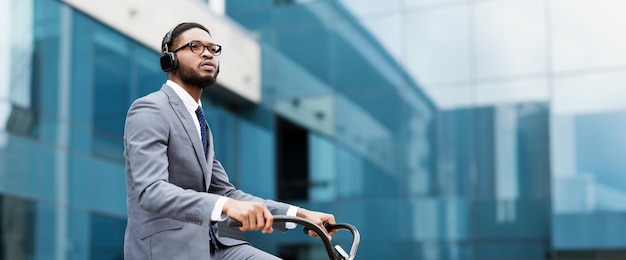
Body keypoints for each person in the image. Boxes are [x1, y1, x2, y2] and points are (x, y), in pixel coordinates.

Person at [123, 22, 337, 259]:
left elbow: (228, 193)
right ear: (169, 59)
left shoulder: (199, 121)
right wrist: (224, 206)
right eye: (195, 46)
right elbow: (151, 191)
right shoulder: (150, 109)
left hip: (219, 247)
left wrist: (300, 214)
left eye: (212, 48)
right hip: (170, 249)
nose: (207, 53)